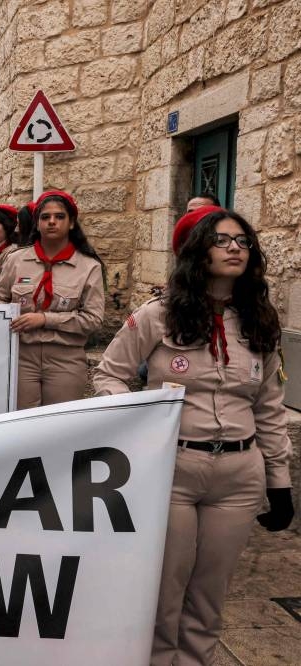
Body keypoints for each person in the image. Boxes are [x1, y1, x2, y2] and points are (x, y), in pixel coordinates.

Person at [93, 206, 293, 665]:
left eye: (242, 241)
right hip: (173, 471)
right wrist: (137, 428)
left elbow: (269, 406)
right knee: (165, 590)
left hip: (239, 475)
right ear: (198, 252)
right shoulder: (158, 315)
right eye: (222, 240)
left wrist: (279, 483)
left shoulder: (260, 320)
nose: (234, 249)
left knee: (209, 595)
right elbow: (110, 375)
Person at [0, 190, 105, 408]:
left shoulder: (89, 266)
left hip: (66, 358)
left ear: (71, 223)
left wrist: (45, 319)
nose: (52, 222)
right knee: (21, 423)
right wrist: (7, 315)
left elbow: (93, 319)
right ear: (37, 223)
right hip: (21, 356)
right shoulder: (16, 260)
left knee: (59, 427)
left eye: (60, 217)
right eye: (45, 217)